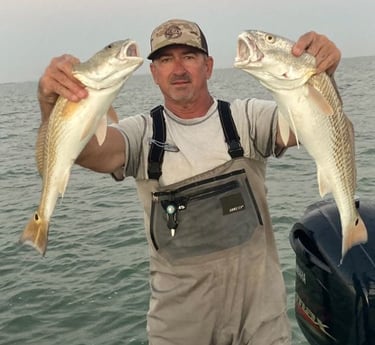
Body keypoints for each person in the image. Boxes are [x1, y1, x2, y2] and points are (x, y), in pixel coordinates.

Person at [37, 19, 341, 345]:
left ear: (208, 66)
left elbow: (317, 124)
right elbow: (80, 152)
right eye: (165, 59)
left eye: (189, 56)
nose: (178, 68)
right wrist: (50, 106)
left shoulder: (247, 118)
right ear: (153, 73)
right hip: (179, 329)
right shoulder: (141, 135)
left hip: (260, 325)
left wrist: (322, 76)